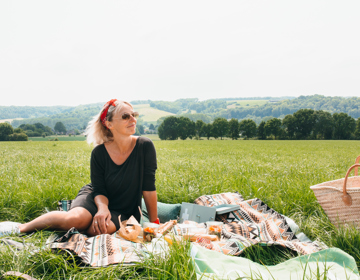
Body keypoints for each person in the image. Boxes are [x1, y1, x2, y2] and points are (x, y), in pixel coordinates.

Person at [0, 99, 158, 237]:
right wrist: (102, 209)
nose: (133, 120)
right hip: (96, 197)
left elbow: (148, 188)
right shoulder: (99, 153)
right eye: (125, 116)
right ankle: (21, 228)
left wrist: (154, 224)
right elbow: (99, 188)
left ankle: (78, 224)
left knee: (100, 229)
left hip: (124, 210)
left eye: (134, 115)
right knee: (74, 220)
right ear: (109, 124)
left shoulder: (144, 146)